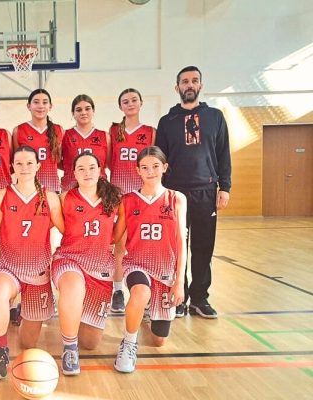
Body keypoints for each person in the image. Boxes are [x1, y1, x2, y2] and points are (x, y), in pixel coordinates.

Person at [155, 66, 231, 319]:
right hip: (174, 192)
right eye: (185, 81)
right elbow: (160, 159)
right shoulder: (167, 121)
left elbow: (223, 154)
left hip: (205, 191)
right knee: (176, 248)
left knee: (203, 248)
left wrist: (225, 187)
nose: (189, 85)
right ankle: (179, 297)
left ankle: (200, 299)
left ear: (200, 85)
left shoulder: (215, 117)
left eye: (194, 80)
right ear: (177, 87)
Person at [0, 145, 64, 379]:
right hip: (9, 265)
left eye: (30, 163)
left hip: (38, 269)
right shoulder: (2, 195)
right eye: (19, 163)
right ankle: (0, 349)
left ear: (38, 166)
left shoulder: (50, 197)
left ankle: (20, 311)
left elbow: (65, 229)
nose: (25, 167)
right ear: (12, 167)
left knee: (28, 344)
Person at [113, 146, 187, 373]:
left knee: (159, 341)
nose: (150, 171)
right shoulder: (127, 200)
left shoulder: (176, 199)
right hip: (137, 264)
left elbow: (181, 243)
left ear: (164, 167)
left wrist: (179, 282)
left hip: (165, 269)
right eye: (144, 167)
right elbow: (115, 237)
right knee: (140, 292)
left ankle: (143, 313)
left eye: (155, 166)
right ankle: (128, 343)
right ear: (137, 171)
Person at [52, 152, 122, 375]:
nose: (87, 172)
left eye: (92, 167)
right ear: (73, 173)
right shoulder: (65, 198)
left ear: (100, 170)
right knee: (73, 287)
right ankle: (69, 347)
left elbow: (118, 235)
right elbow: (60, 229)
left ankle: (76, 313)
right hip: (70, 259)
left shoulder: (115, 199)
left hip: (100, 268)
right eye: (81, 168)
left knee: (90, 343)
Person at [109, 88, 156, 315]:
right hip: (118, 196)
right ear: (120, 106)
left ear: (141, 103)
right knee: (119, 245)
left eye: (134, 100)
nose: (130, 104)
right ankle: (117, 290)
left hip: (142, 195)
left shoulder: (150, 132)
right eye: (125, 101)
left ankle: (145, 291)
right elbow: (107, 161)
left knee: (143, 244)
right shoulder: (112, 132)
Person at [12, 89, 64, 193]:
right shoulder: (19, 130)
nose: (41, 106)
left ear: (50, 106)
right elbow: (16, 163)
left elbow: (60, 161)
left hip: (51, 188)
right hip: (26, 189)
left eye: (45, 102)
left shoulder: (59, 130)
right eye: (36, 102)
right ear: (28, 106)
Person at [60, 95, 110, 192]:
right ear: (73, 113)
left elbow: (107, 163)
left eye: (87, 109)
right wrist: (73, 169)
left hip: (99, 189)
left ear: (93, 111)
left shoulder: (104, 136)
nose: (83, 113)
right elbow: (57, 162)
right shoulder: (64, 135)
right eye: (79, 110)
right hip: (71, 188)